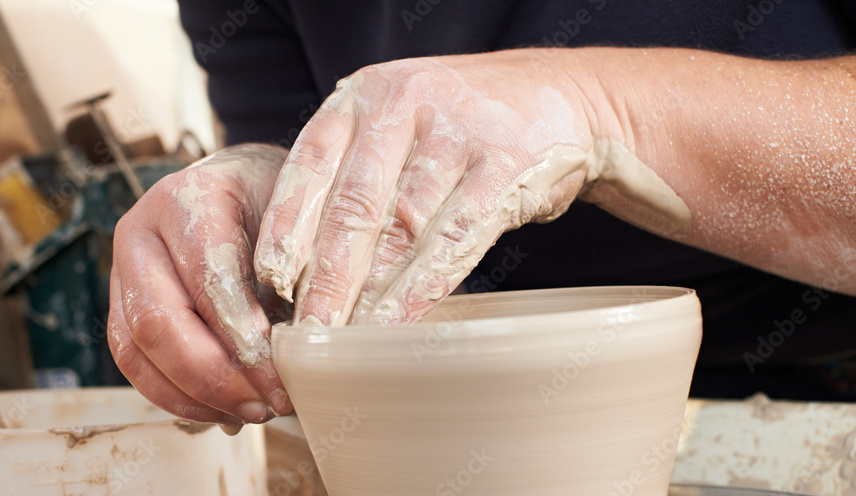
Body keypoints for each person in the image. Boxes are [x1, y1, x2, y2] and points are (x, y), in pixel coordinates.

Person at [108, 0, 856, 430]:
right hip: (487, 431)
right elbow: (321, 195)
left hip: (820, 390)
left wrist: (601, 108)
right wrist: (273, 194)